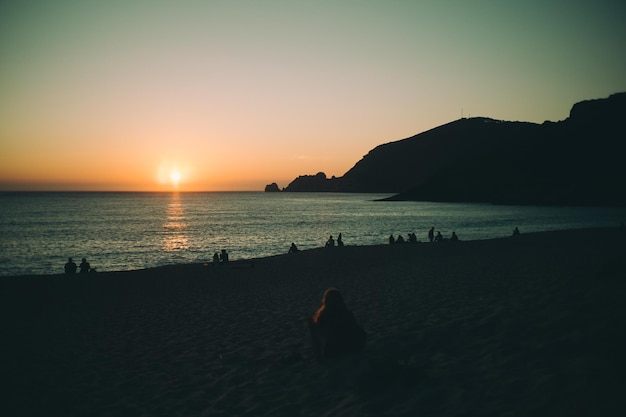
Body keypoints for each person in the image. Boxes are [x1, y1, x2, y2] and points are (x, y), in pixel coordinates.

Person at [307, 288, 367, 359]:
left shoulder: (324, 315)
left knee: (313, 329)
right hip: (355, 346)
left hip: (336, 349)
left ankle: (318, 356)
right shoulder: (347, 312)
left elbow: (322, 330)